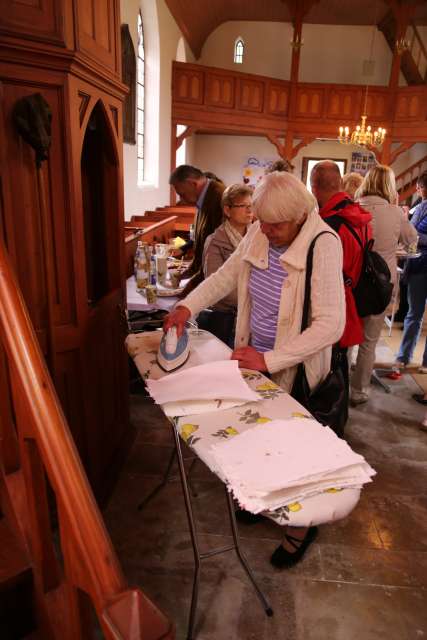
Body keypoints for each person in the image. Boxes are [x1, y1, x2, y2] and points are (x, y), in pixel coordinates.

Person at [164, 171, 346, 569]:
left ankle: (300, 529)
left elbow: (331, 324)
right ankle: (264, 497)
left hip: (293, 370)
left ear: (300, 216)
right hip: (254, 359)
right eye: (260, 221)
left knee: (297, 454)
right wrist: (186, 306)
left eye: (276, 224)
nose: (266, 230)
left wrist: (269, 360)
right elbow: (226, 275)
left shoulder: (323, 243)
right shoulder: (263, 229)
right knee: (258, 440)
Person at [350, 165, 417, 404]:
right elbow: (412, 241)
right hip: (381, 282)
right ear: (389, 184)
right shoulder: (395, 212)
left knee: (347, 334)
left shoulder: (354, 207)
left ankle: (341, 379)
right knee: (369, 340)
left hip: (353, 279)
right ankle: (358, 390)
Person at [310, 160, 372, 417]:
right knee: (340, 363)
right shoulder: (358, 214)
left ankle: (327, 419)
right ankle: (337, 414)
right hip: (354, 296)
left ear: (314, 187)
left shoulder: (329, 222)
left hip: (332, 301)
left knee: (325, 368)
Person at [197, 184, 253, 347]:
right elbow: (215, 285)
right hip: (225, 317)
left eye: (251, 205)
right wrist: (253, 299)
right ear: (227, 210)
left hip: (251, 318)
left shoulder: (258, 236)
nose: (249, 211)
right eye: (243, 206)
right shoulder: (215, 242)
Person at [169, 165, 225, 295]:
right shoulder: (204, 197)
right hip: (204, 275)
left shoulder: (218, 196)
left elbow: (216, 250)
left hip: (215, 279)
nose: (181, 200)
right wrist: (188, 272)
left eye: (182, 194)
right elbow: (201, 237)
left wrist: (191, 285)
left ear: (192, 183)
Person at [396, 172, 427, 371]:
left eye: (419, 186)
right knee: (413, 314)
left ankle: (425, 363)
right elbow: (410, 234)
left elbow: (414, 235)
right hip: (417, 265)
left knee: (414, 314)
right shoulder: (420, 205)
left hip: (422, 264)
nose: (417, 190)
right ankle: (403, 357)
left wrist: (415, 235)